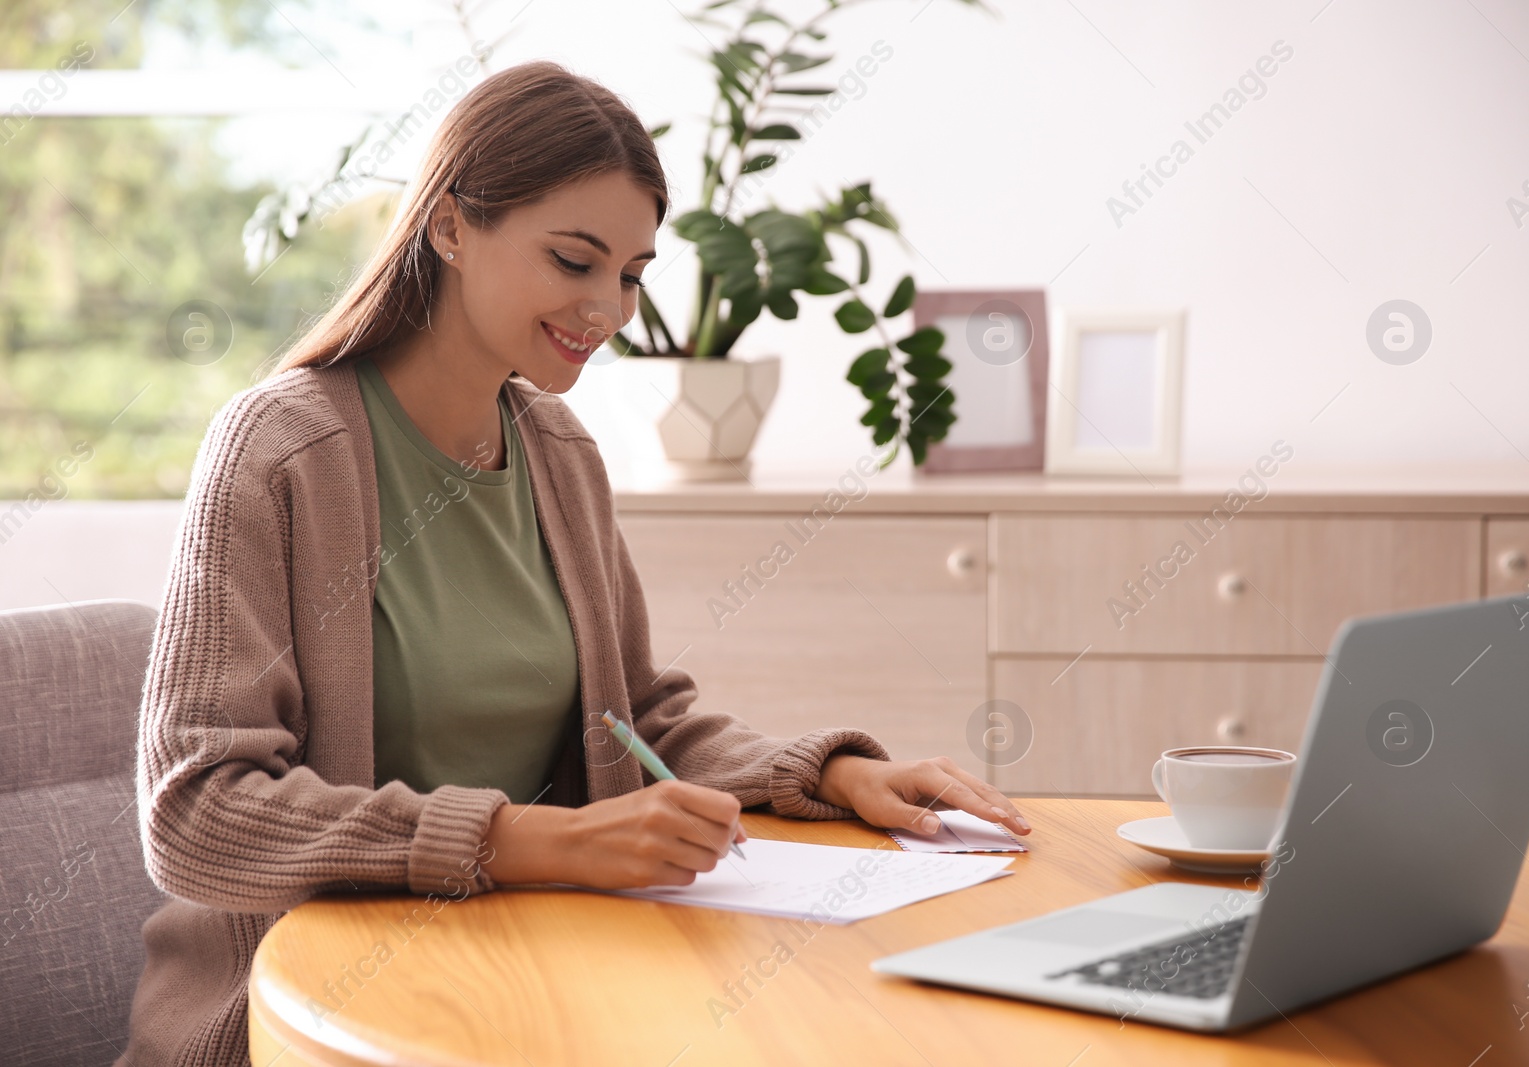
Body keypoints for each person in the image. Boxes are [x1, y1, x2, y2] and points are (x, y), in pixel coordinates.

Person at [120, 59, 1030, 1064]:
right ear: (451, 226)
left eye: (632, 273)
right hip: (310, 1014)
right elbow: (197, 809)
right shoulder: (279, 451)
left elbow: (635, 722)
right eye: (574, 259)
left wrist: (833, 770)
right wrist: (525, 841)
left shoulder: (557, 452)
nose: (611, 308)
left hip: (533, 971)